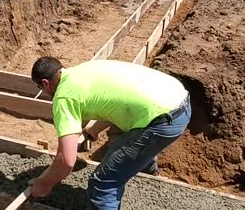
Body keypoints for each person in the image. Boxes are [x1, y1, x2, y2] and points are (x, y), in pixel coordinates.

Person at [29, 57, 191, 210]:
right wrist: (94, 130)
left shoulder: (63, 97)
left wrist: (44, 184)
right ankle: (148, 174)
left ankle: (136, 171)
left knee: (102, 183)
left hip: (161, 120)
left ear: (45, 83)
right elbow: (116, 102)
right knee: (127, 139)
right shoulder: (84, 69)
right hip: (177, 98)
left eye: (39, 87)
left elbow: (67, 162)